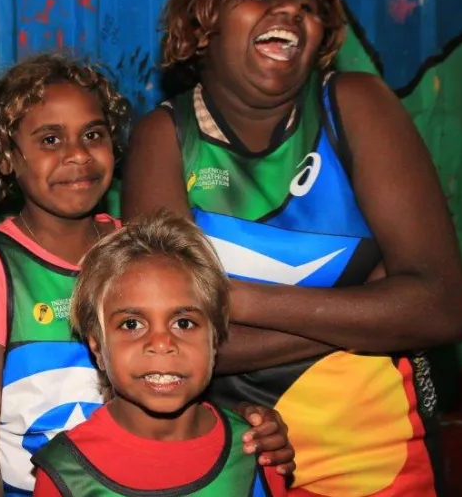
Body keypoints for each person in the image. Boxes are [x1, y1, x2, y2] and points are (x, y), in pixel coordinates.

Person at [122, 0, 462, 495]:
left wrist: (239, 300)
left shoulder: (355, 104)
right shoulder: (163, 138)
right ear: (203, 26)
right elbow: (170, 343)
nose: (290, 10)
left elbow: (445, 309)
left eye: (308, 6)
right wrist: (372, 312)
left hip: (379, 453)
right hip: (237, 456)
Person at [0, 55, 293, 497]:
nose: (77, 153)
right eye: (50, 139)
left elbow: (188, 368)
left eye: (93, 134)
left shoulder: (144, 252)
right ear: (6, 158)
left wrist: (248, 423)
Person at [31, 211, 287, 497]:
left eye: (184, 323)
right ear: (97, 347)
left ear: (215, 338)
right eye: (132, 324)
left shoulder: (256, 451)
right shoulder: (67, 471)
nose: (162, 343)